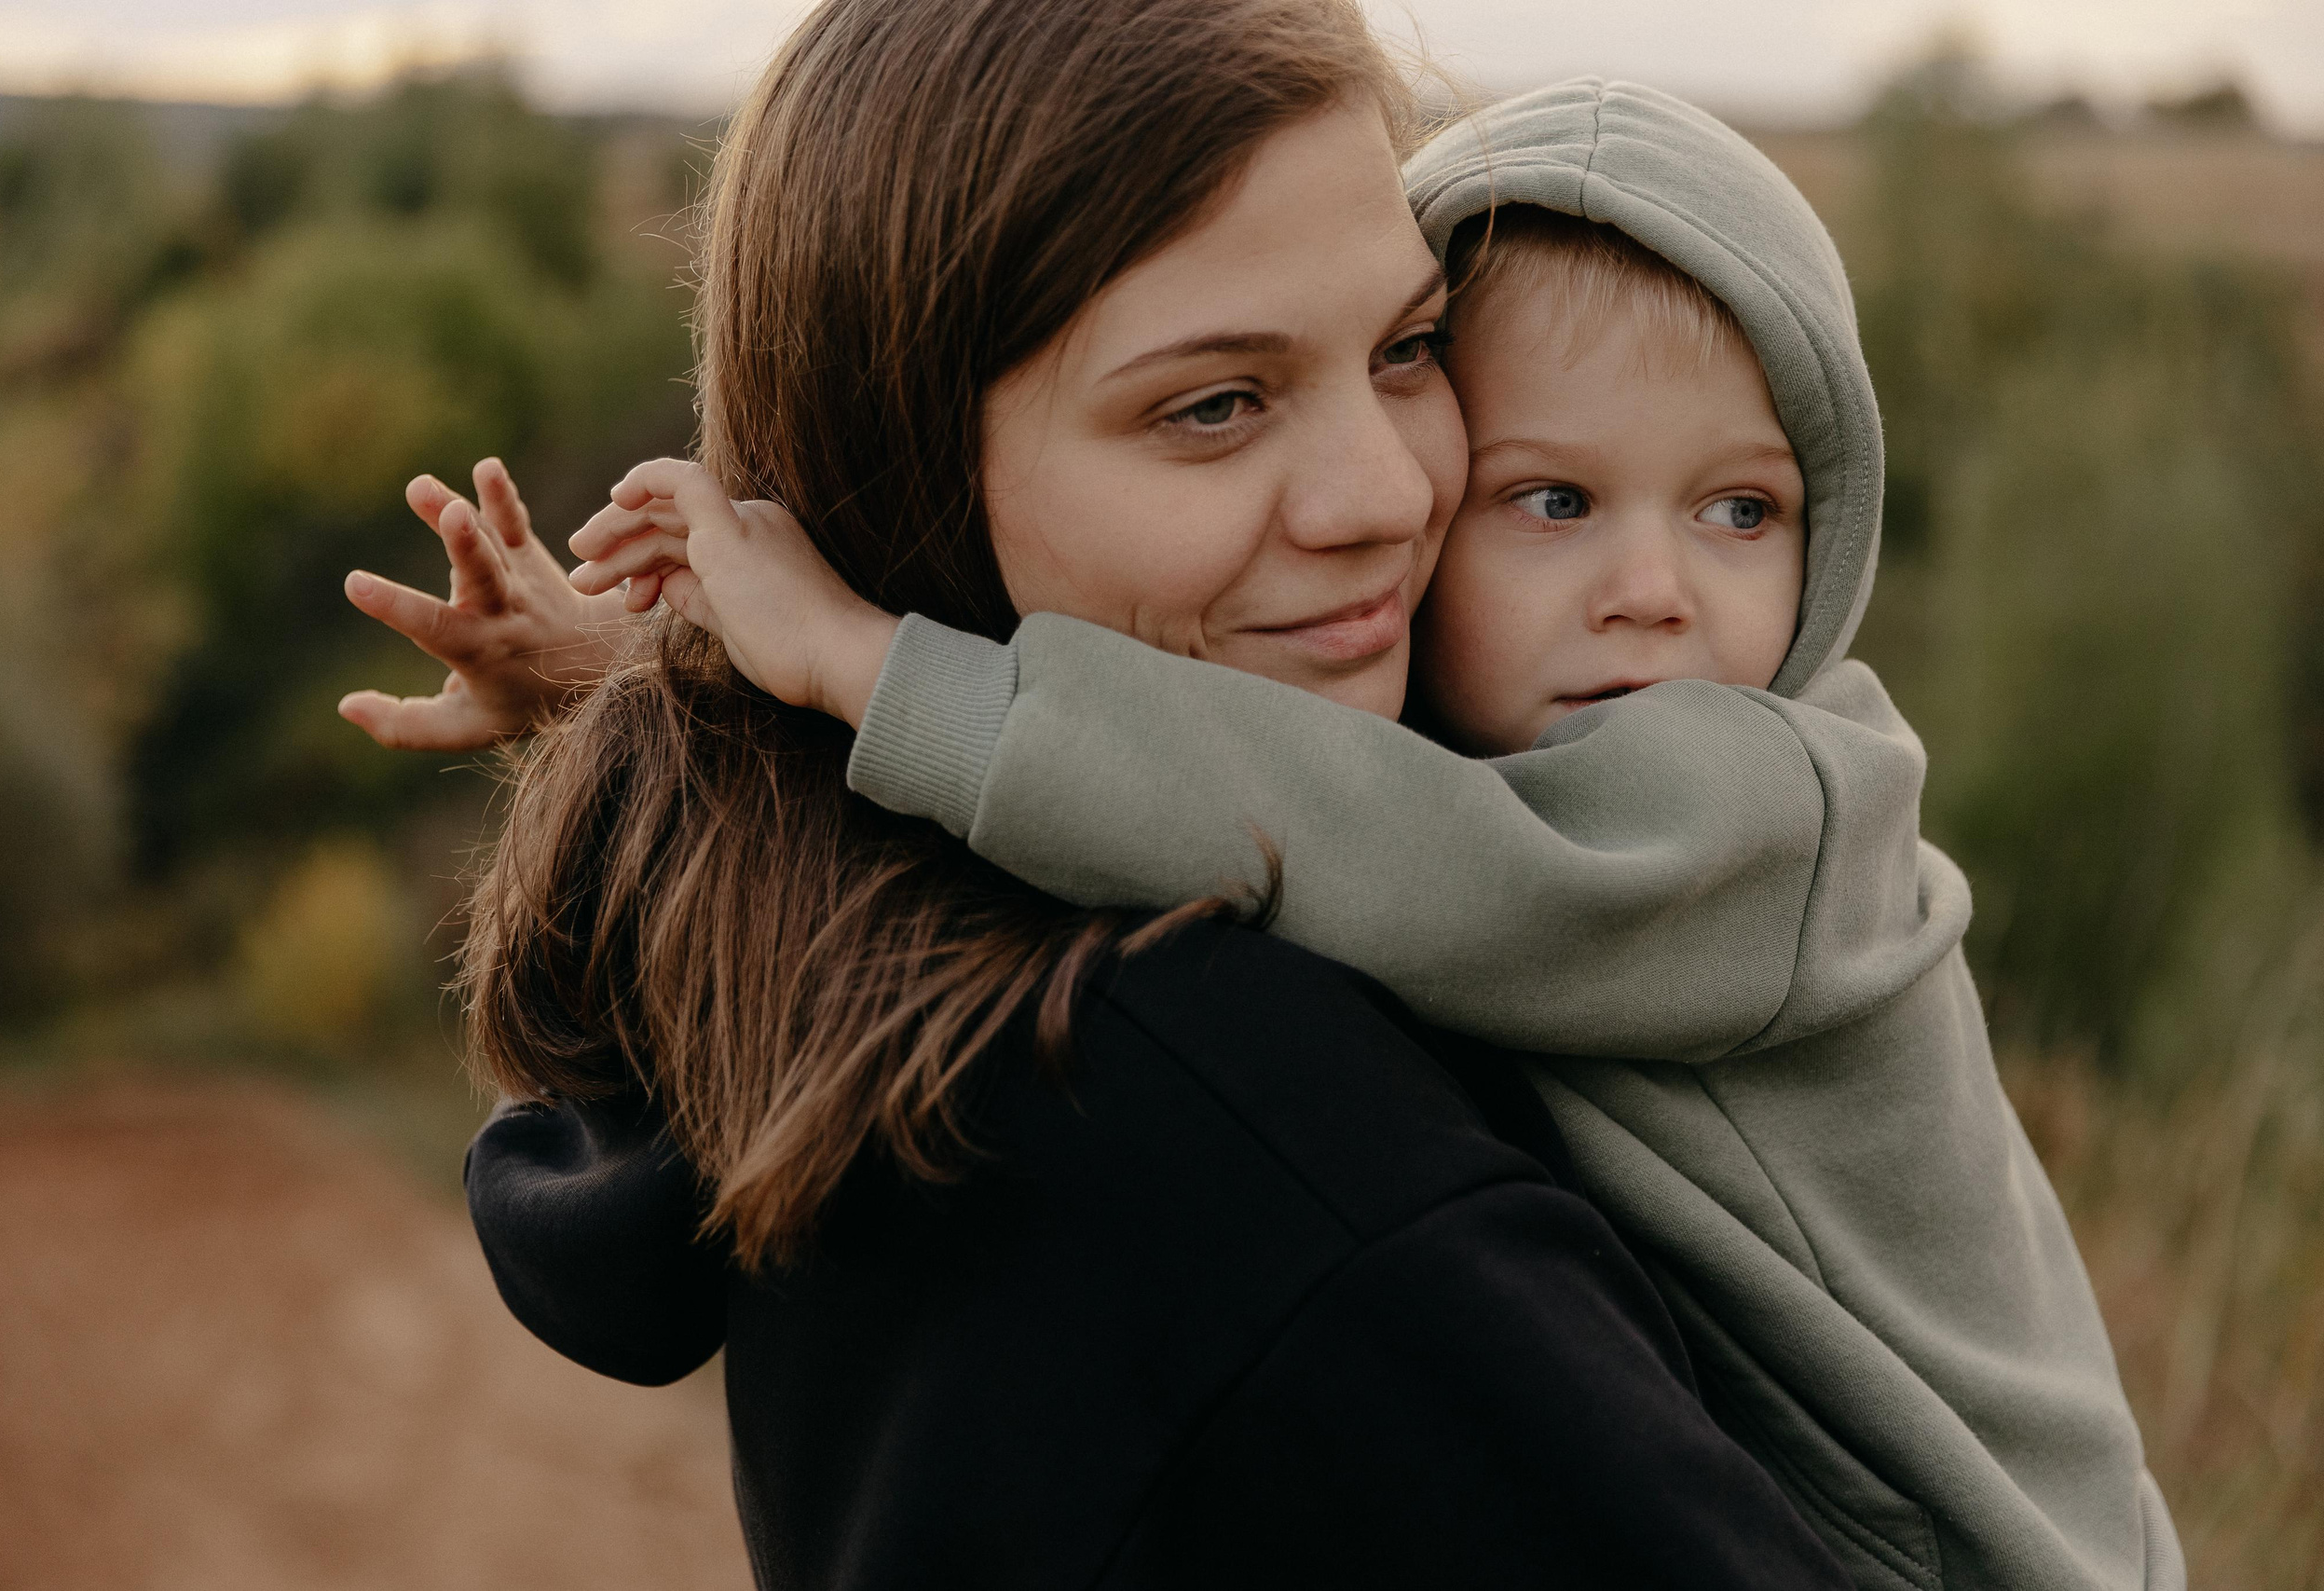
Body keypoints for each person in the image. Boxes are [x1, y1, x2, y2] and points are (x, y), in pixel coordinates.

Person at [570, 81, 2185, 1591]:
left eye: (1743, 510)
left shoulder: (1759, 804)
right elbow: (1291, 788)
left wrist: (863, 666)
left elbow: (1372, 838)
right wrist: (664, 670)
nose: (1656, 590)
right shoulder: (1436, 818)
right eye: (1552, 501)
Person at [408, 2, 1858, 1585]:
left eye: (1407, 350)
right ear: (906, 472)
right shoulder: (1260, 1135)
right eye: (1213, 406)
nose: (1387, 496)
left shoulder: (847, 954)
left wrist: (647, 685)